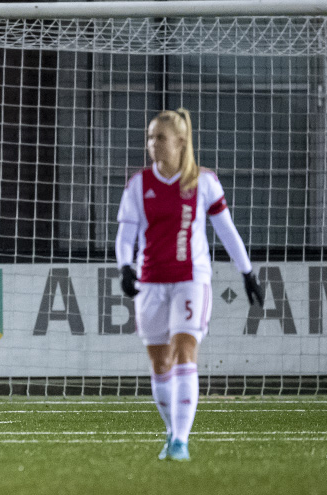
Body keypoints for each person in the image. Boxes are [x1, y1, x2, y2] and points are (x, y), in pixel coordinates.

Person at [115, 109, 264, 461]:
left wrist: (247, 272)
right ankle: (173, 432)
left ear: (181, 142)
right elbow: (126, 233)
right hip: (151, 281)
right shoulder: (139, 184)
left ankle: (180, 441)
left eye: (160, 137)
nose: (153, 144)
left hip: (191, 278)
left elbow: (226, 230)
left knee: (184, 350)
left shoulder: (203, 181)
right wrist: (125, 267)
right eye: (150, 137)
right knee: (160, 363)